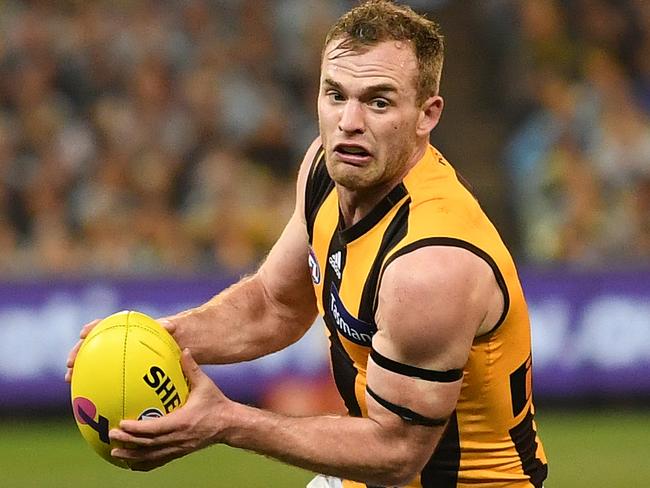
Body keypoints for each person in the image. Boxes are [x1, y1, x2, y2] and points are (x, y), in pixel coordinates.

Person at [66, 1, 548, 486]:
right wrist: (155, 341)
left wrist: (228, 421)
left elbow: (396, 453)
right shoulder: (325, 169)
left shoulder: (428, 266)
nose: (349, 122)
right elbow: (275, 303)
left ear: (427, 114)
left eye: (378, 102)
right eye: (335, 95)